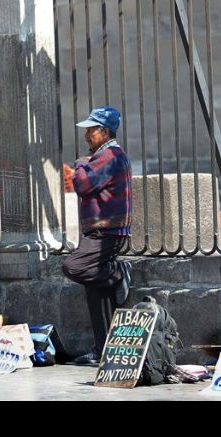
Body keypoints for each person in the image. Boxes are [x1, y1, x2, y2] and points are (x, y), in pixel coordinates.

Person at [62, 106, 133, 365]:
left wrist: (80, 164)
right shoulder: (105, 156)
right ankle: (104, 348)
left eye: (91, 130)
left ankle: (117, 272)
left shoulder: (109, 156)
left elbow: (83, 185)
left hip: (107, 232)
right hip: (99, 230)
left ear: (104, 132)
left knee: (73, 266)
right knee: (96, 291)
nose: (86, 135)